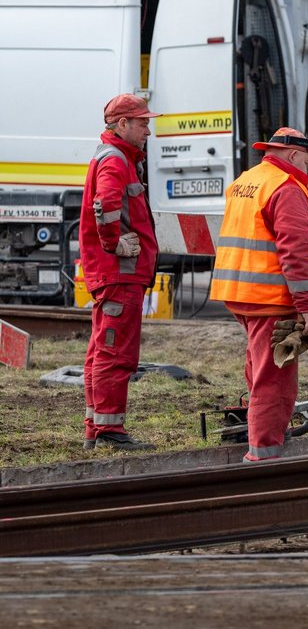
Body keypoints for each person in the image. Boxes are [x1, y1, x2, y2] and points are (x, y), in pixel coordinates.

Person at [210, 127, 308, 462]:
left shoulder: (248, 180)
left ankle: (271, 432)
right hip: (270, 296)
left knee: (258, 366)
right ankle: (264, 456)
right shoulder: (286, 189)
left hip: (242, 292)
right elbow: (295, 252)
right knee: (274, 377)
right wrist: (307, 308)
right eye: (306, 159)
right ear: (293, 155)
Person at [80, 93, 161, 451]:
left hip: (116, 274)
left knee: (101, 350)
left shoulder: (118, 156)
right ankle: (109, 432)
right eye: (142, 122)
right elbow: (107, 205)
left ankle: (95, 427)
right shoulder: (115, 160)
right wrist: (114, 245)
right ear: (122, 124)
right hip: (120, 273)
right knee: (116, 353)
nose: (148, 129)